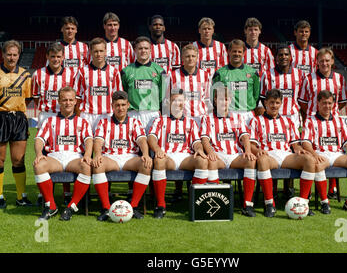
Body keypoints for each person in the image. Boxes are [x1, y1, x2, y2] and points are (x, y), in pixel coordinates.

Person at [0, 40, 33, 209]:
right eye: (8, 54)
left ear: (19, 56)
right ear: (2, 55)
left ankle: (20, 196)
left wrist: (16, 111)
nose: (11, 57)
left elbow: (28, 97)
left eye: (15, 54)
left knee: (18, 160)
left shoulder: (25, 75)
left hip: (19, 120)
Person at [248, 89, 316, 217]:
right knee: (262, 160)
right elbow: (251, 145)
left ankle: (303, 203)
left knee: (309, 160)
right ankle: (269, 204)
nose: (274, 106)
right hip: (269, 155)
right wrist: (258, 151)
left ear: (281, 104)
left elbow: (295, 144)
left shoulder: (288, 122)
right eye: (271, 102)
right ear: (265, 103)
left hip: (285, 155)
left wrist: (299, 149)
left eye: (277, 103)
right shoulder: (256, 121)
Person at [33, 87, 94, 220]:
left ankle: (72, 207)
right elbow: (39, 139)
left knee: (86, 166)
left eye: (71, 100)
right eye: (64, 100)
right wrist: (38, 153)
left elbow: (89, 140)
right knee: (39, 166)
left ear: (75, 102)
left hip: (74, 157)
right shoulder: (49, 121)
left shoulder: (82, 122)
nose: (68, 103)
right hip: (55, 157)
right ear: (59, 101)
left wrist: (88, 155)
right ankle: (51, 206)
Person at [148, 89, 208, 219]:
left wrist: (199, 149)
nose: (177, 103)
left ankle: (196, 203)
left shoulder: (191, 122)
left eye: (180, 100)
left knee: (203, 161)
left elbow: (197, 142)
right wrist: (157, 149)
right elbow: (151, 138)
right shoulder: (159, 120)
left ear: (184, 102)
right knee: (158, 160)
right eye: (174, 100)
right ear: (169, 102)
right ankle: (160, 205)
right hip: (167, 156)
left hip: (185, 157)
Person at [302, 90, 347, 213]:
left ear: (333, 104)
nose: (327, 106)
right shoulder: (310, 121)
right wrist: (314, 155)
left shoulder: (339, 121)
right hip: (320, 154)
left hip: (337, 155)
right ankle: (325, 202)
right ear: (318, 103)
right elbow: (306, 143)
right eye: (324, 103)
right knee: (317, 165)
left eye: (330, 103)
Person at [92, 91, 152, 221]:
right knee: (97, 165)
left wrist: (146, 154)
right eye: (117, 105)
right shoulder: (103, 122)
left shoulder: (135, 122)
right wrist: (97, 154)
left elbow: (142, 140)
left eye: (123, 105)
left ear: (128, 105)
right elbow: (98, 141)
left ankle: (134, 206)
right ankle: (106, 208)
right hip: (110, 157)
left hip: (129, 158)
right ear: (112, 106)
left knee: (146, 164)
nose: (121, 108)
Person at [298, 47, 347, 197]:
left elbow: (342, 101)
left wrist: (330, 112)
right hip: (313, 122)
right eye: (321, 61)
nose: (324, 63)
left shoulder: (339, 78)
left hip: (332, 122)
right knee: (314, 155)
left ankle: (332, 188)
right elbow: (303, 101)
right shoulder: (308, 78)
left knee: (333, 150)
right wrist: (315, 113)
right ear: (317, 62)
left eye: (327, 60)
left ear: (332, 61)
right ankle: (313, 190)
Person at [200, 86, 257, 217]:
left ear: (230, 100)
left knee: (251, 160)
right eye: (220, 99)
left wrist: (248, 150)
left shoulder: (237, 117)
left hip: (234, 155)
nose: (223, 102)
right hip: (218, 155)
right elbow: (205, 139)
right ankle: (215, 203)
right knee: (212, 162)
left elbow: (244, 136)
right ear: (215, 100)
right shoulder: (207, 118)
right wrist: (210, 152)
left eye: (226, 99)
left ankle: (247, 204)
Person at [74, 37, 123, 132]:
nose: (98, 54)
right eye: (96, 51)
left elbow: (118, 96)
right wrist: (79, 114)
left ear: (105, 52)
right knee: (86, 145)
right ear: (91, 52)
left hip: (107, 115)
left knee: (106, 146)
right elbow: (77, 96)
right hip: (87, 115)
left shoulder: (114, 72)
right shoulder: (82, 71)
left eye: (101, 51)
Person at [120, 36, 167, 133]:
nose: (143, 51)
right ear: (135, 50)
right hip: (133, 114)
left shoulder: (161, 71)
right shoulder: (125, 71)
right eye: (140, 48)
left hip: (153, 113)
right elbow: (123, 93)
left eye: (146, 48)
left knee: (153, 145)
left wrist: (165, 116)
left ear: (150, 50)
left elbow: (165, 96)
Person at [212, 39, 260, 125]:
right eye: (234, 51)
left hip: (248, 114)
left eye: (239, 51)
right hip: (228, 113)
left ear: (244, 53)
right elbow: (214, 96)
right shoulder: (220, 73)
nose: (237, 54)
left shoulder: (253, 73)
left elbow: (256, 95)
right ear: (229, 52)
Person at [32, 42, 77, 128]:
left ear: (63, 57)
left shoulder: (71, 74)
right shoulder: (38, 74)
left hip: (65, 115)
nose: (56, 59)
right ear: (47, 56)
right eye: (53, 56)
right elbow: (36, 97)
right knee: (43, 141)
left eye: (58, 56)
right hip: (45, 115)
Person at [260, 45, 304, 129]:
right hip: (274, 116)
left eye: (286, 54)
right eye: (280, 55)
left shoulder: (299, 74)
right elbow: (263, 97)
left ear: (290, 57)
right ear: (276, 58)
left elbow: (301, 98)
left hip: (293, 117)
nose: (284, 57)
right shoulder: (267, 74)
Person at [169, 43, 211, 125]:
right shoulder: (173, 75)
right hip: (181, 118)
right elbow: (167, 98)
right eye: (187, 56)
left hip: (201, 118)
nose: (190, 59)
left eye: (193, 56)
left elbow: (208, 98)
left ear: (197, 58)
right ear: (182, 59)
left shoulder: (205, 75)